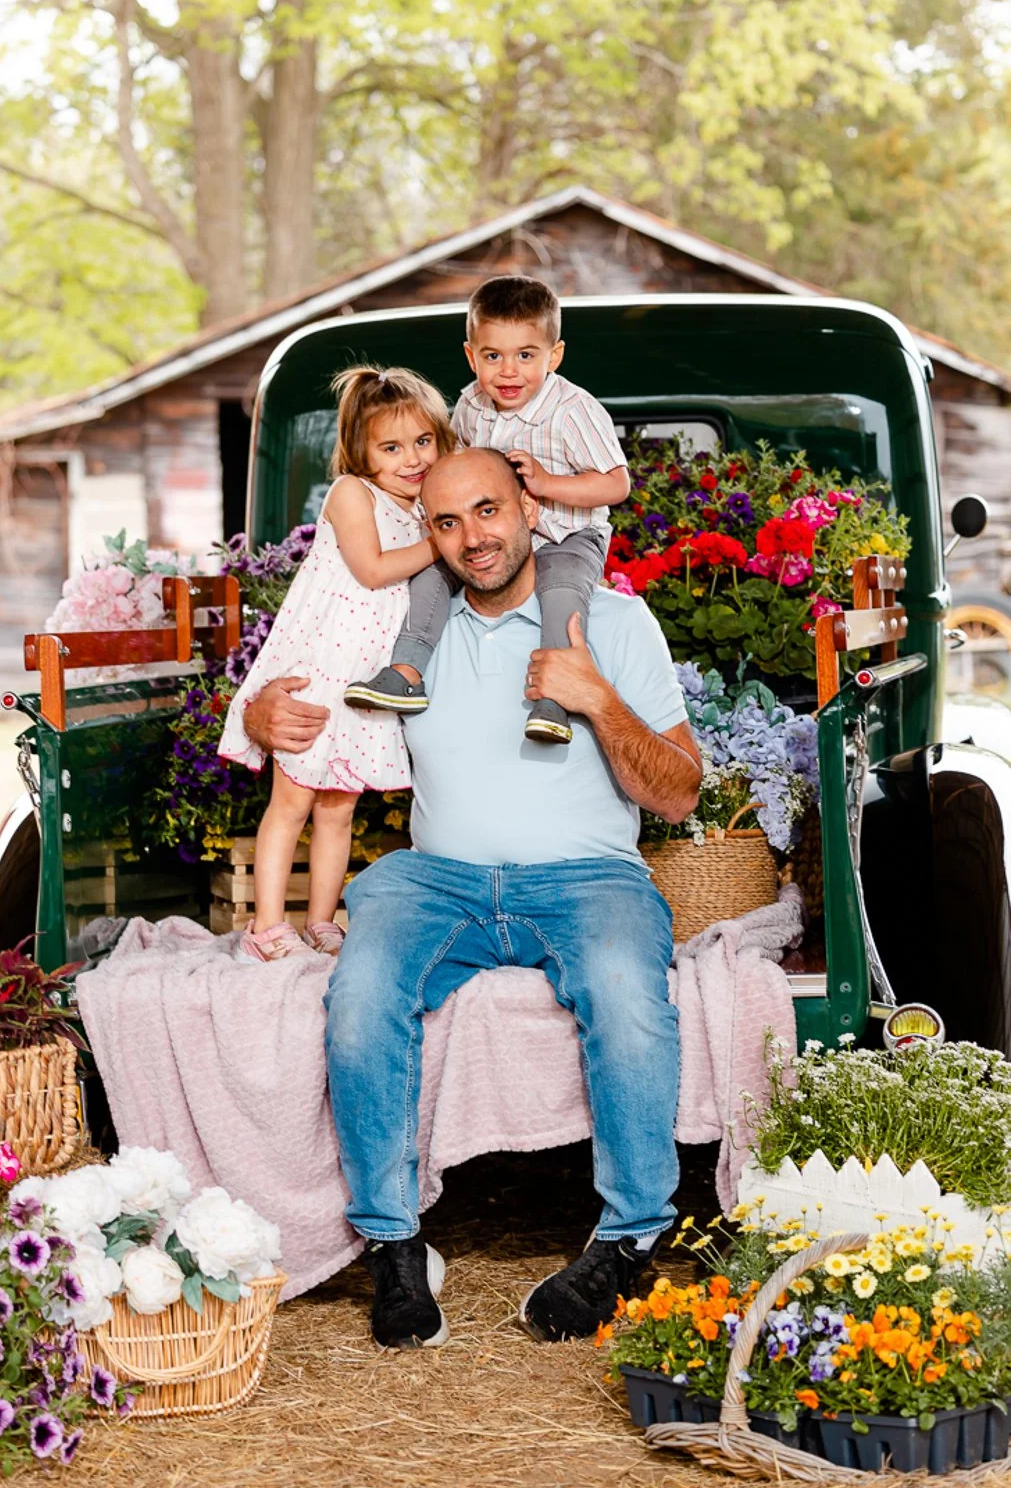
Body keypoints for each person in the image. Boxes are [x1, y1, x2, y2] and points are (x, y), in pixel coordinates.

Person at [244, 447, 701, 1348]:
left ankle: (630, 1235)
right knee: (361, 996)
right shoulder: (403, 628)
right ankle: (393, 1243)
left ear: (529, 509)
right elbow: (299, 681)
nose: (471, 539)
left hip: (587, 876)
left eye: (487, 512)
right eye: (446, 523)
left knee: (624, 990)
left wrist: (598, 700)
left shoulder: (611, 620)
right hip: (436, 877)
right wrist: (261, 717)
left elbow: (680, 792)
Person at [218, 366, 455, 961]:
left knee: (338, 807)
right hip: (320, 675)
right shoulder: (354, 494)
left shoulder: (420, 508)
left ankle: (322, 921)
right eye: (392, 447)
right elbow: (373, 568)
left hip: (362, 683)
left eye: (423, 442)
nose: (411, 458)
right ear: (360, 451)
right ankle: (268, 925)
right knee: (292, 801)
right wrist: (444, 540)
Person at [344, 275, 631, 745]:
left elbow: (616, 484)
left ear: (553, 356)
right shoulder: (471, 405)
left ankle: (554, 699)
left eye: (526, 355)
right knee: (432, 571)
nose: (508, 372)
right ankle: (406, 672)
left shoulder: (573, 410)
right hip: (497, 539)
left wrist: (546, 483)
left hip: (567, 534)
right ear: (471, 355)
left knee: (559, 592)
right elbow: (455, 466)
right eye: (493, 356)